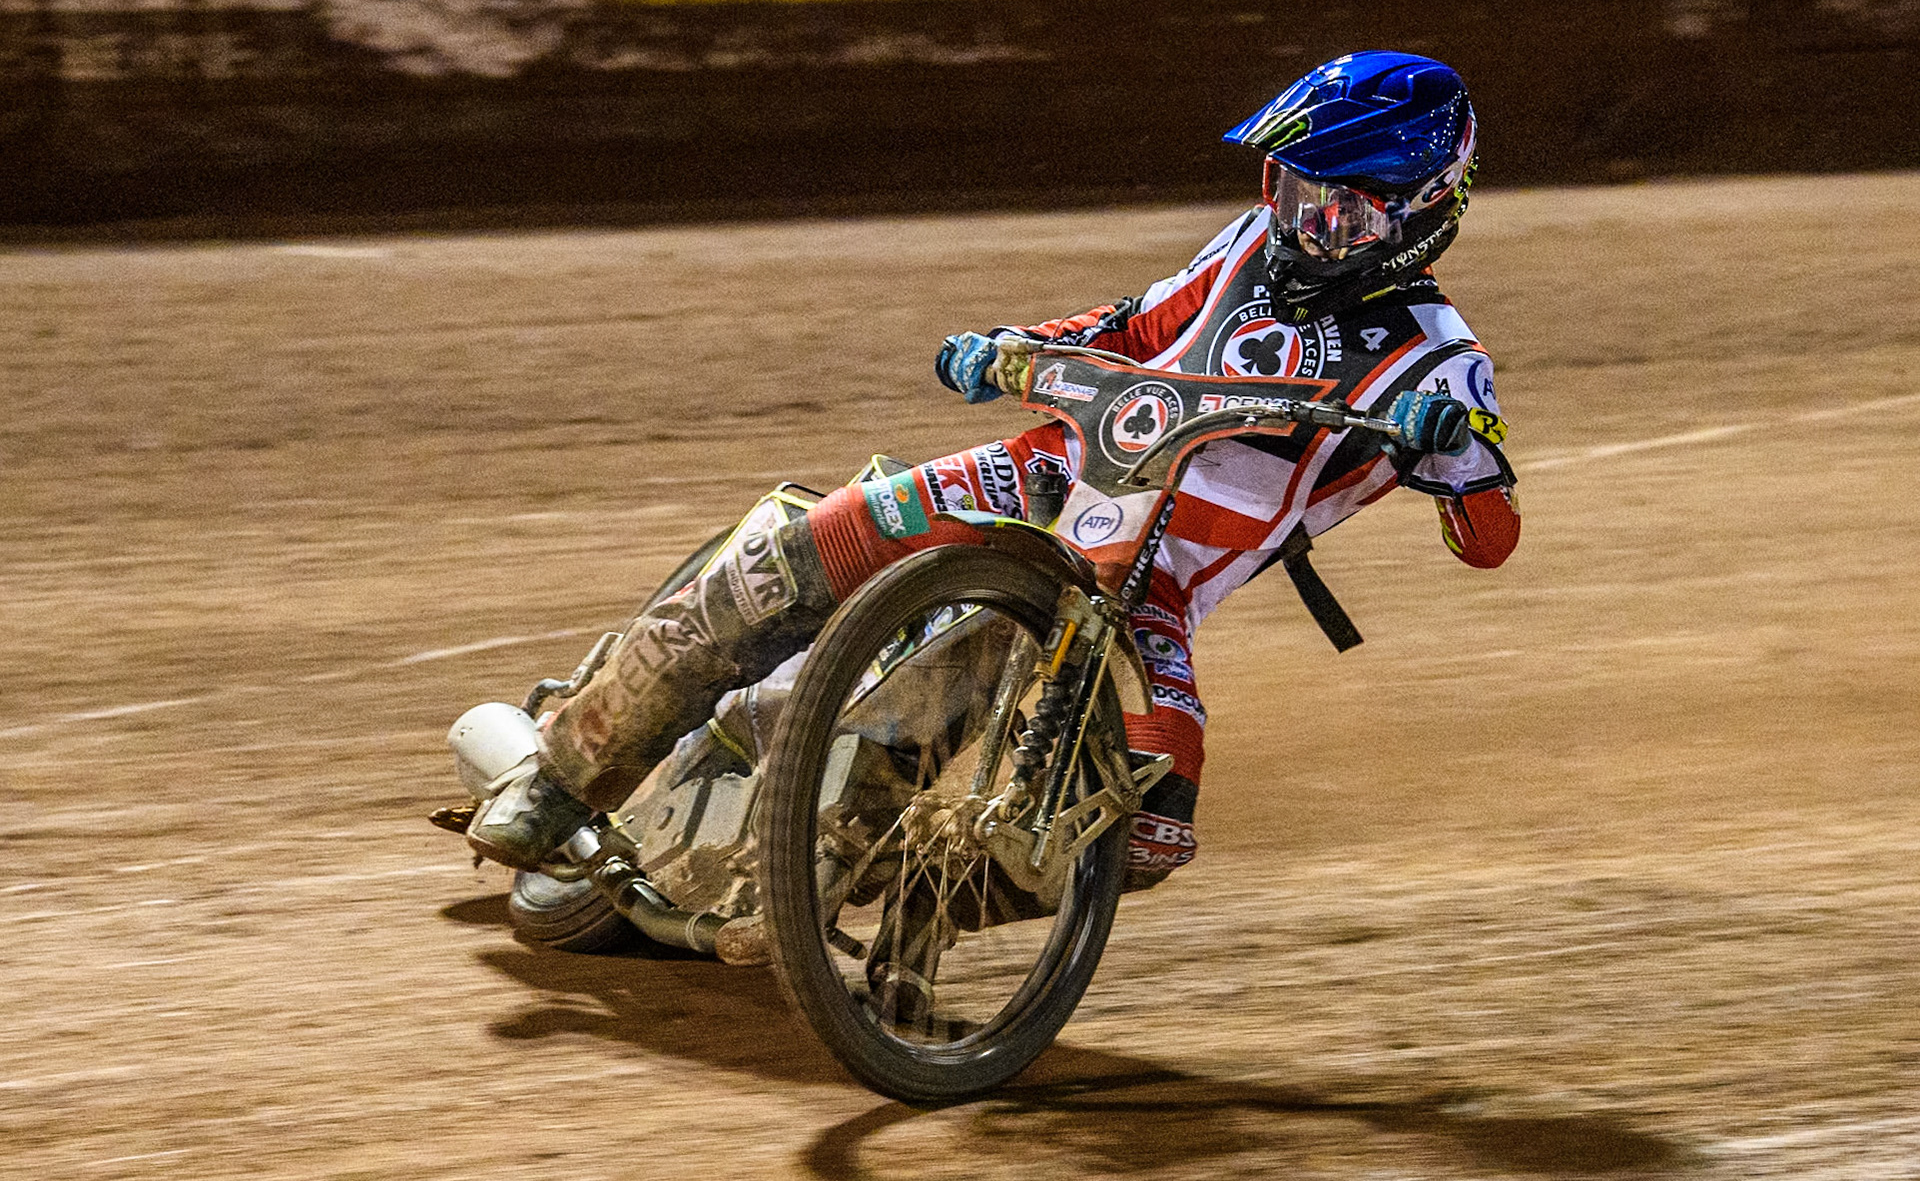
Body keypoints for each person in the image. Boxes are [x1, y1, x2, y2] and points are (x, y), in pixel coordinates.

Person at [466, 50, 1521, 887]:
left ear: (1426, 210)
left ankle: (911, 915)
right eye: (1294, 192)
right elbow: (1130, 325)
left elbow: (1489, 541)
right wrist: (1011, 342)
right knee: (794, 558)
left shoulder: (1439, 358)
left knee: (1151, 822)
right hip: (1052, 472)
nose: (1306, 226)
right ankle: (562, 774)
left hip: (1152, 581)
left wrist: (1450, 448)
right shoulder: (1248, 245)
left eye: (1340, 210)